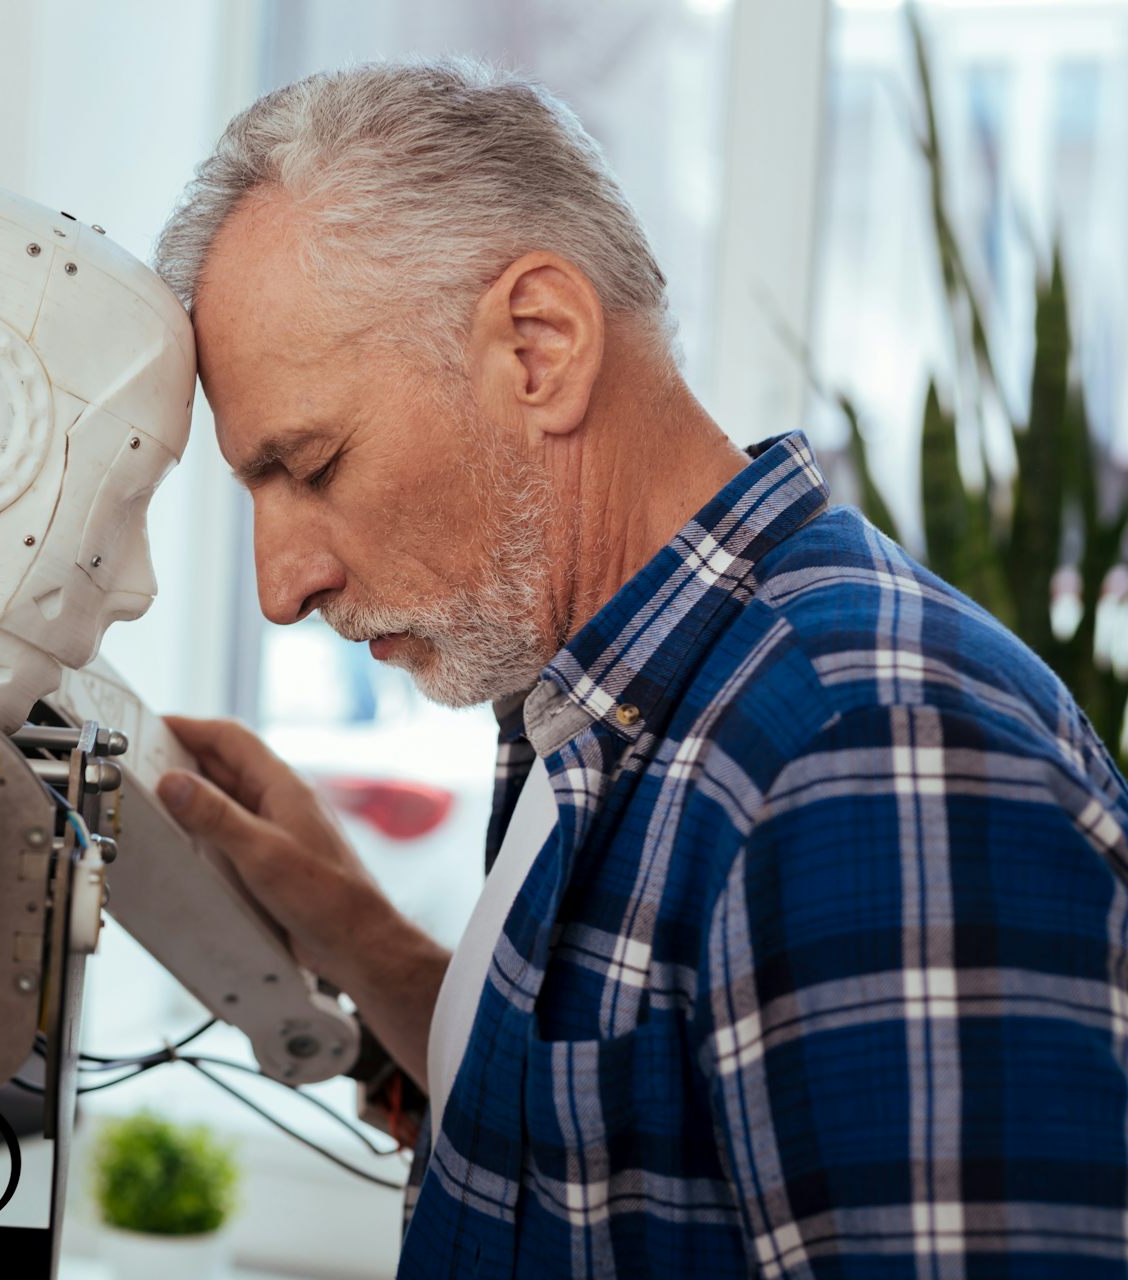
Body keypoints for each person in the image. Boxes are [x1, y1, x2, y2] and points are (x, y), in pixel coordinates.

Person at [151, 59, 1128, 1278]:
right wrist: (358, 937)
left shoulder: (865, 754)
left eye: (315, 464)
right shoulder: (608, 701)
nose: (279, 584)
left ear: (539, 345)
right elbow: (606, 1146)